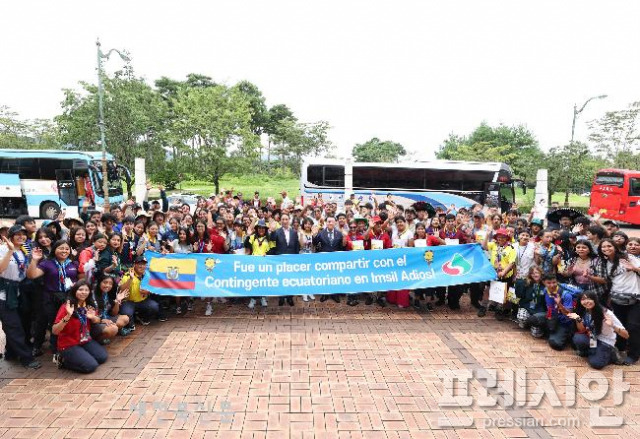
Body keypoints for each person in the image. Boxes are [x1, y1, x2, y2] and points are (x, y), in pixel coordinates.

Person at [27, 239, 81, 355]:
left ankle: (63, 346)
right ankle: (51, 347)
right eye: (61, 248)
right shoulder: (47, 263)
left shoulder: (73, 263)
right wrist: (34, 260)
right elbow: (31, 275)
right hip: (50, 298)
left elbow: (81, 279)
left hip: (68, 298)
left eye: (67, 249)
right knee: (53, 322)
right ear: (54, 249)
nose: (64, 251)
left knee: (67, 321)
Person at [0, 226, 41, 369]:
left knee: (20, 324)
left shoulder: (24, 251)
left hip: (19, 291)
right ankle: (26, 358)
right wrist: (10, 251)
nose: (21, 237)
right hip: (4, 293)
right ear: (10, 236)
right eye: (17, 234)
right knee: (14, 326)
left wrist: (34, 260)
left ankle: (10, 353)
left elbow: (27, 273)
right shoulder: (3, 249)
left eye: (23, 234)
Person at [599, 239, 640, 365]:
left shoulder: (628, 257)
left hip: (635, 298)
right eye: (603, 247)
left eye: (609, 246)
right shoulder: (604, 262)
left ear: (615, 247)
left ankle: (633, 355)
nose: (606, 249)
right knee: (620, 326)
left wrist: (633, 268)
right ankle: (621, 350)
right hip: (617, 300)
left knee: (633, 326)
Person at [52, 280, 108, 373]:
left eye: (86, 290)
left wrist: (93, 317)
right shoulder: (67, 307)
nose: (84, 292)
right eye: (80, 289)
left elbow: (98, 320)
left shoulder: (88, 305)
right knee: (91, 366)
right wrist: (68, 316)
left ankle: (81, 355)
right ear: (74, 291)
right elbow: (55, 331)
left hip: (84, 340)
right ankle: (63, 361)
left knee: (102, 357)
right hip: (68, 344)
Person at [567, 290, 628, 369]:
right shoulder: (585, 311)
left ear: (595, 299)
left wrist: (613, 326)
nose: (586, 301)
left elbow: (626, 335)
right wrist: (578, 319)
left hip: (605, 341)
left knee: (596, 364)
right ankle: (594, 352)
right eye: (583, 299)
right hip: (593, 338)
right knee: (578, 338)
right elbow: (581, 330)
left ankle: (612, 353)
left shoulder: (606, 313)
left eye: (589, 298)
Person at [118, 256, 161, 327]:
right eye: (139, 264)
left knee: (154, 306)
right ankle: (131, 322)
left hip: (142, 301)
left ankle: (141, 317)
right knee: (126, 313)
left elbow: (155, 287)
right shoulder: (128, 274)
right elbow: (121, 290)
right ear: (134, 265)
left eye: (144, 264)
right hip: (129, 301)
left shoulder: (147, 275)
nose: (142, 266)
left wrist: (149, 291)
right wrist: (130, 279)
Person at [270, 213, 300, 307]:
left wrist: (296, 259)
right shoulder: (276, 232)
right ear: (280, 221)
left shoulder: (294, 232)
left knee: (290, 279)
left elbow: (297, 246)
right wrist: (272, 231)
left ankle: (290, 297)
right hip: (280, 259)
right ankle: (282, 297)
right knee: (281, 279)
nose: (284, 221)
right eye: (283, 219)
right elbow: (272, 243)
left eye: (286, 219)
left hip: (291, 259)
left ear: (289, 220)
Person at [313, 216, 345, 304]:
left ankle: (335, 294)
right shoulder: (321, 233)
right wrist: (314, 235)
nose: (330, 223)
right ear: (326, 223)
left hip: (335, 260)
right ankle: (325, 294)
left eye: (332, 221)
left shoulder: (339, 233)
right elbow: (315, 243)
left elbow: (341, 247)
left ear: (335, 223)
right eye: (328, 221)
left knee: (335, 277)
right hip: (324, 260)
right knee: (325, 277)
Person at [244, 220, 273, 309]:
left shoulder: (269, 239)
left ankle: (263, 298)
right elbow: (246, 245)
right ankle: (253, 299)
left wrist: (267, 254)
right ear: (256, 229)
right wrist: (248, 235)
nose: (261, 230)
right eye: (259, 228)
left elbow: (272, 250)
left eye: (263, 228)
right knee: (254, 281)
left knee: (263, 282)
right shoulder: (253, 237)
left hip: (265, 264)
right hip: (254, 263)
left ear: (265, 229)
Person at [542, 274, 575, 351]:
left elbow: (569, 315)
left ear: (557, 282)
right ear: (544, 283)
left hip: (563, 322)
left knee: (556, 344)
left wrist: (559, 304)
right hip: (551, 317)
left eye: (554, 282)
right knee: (533, 319)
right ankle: (550, 331)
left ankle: (566, 335)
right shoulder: (545, 290)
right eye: (549, 283)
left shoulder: (566, 295)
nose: (552, 285)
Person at [514, 266, 547, 337]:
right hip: (528, 307)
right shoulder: (527, 283)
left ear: (541, 273)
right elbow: (519, 295)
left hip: (539, 310)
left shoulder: (545, 285)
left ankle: (534, 324)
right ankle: (527, 323)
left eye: (537, 273)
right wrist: (518, 281)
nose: (535, 275)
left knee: (536, 334)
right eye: (532, 273)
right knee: (521, 316)